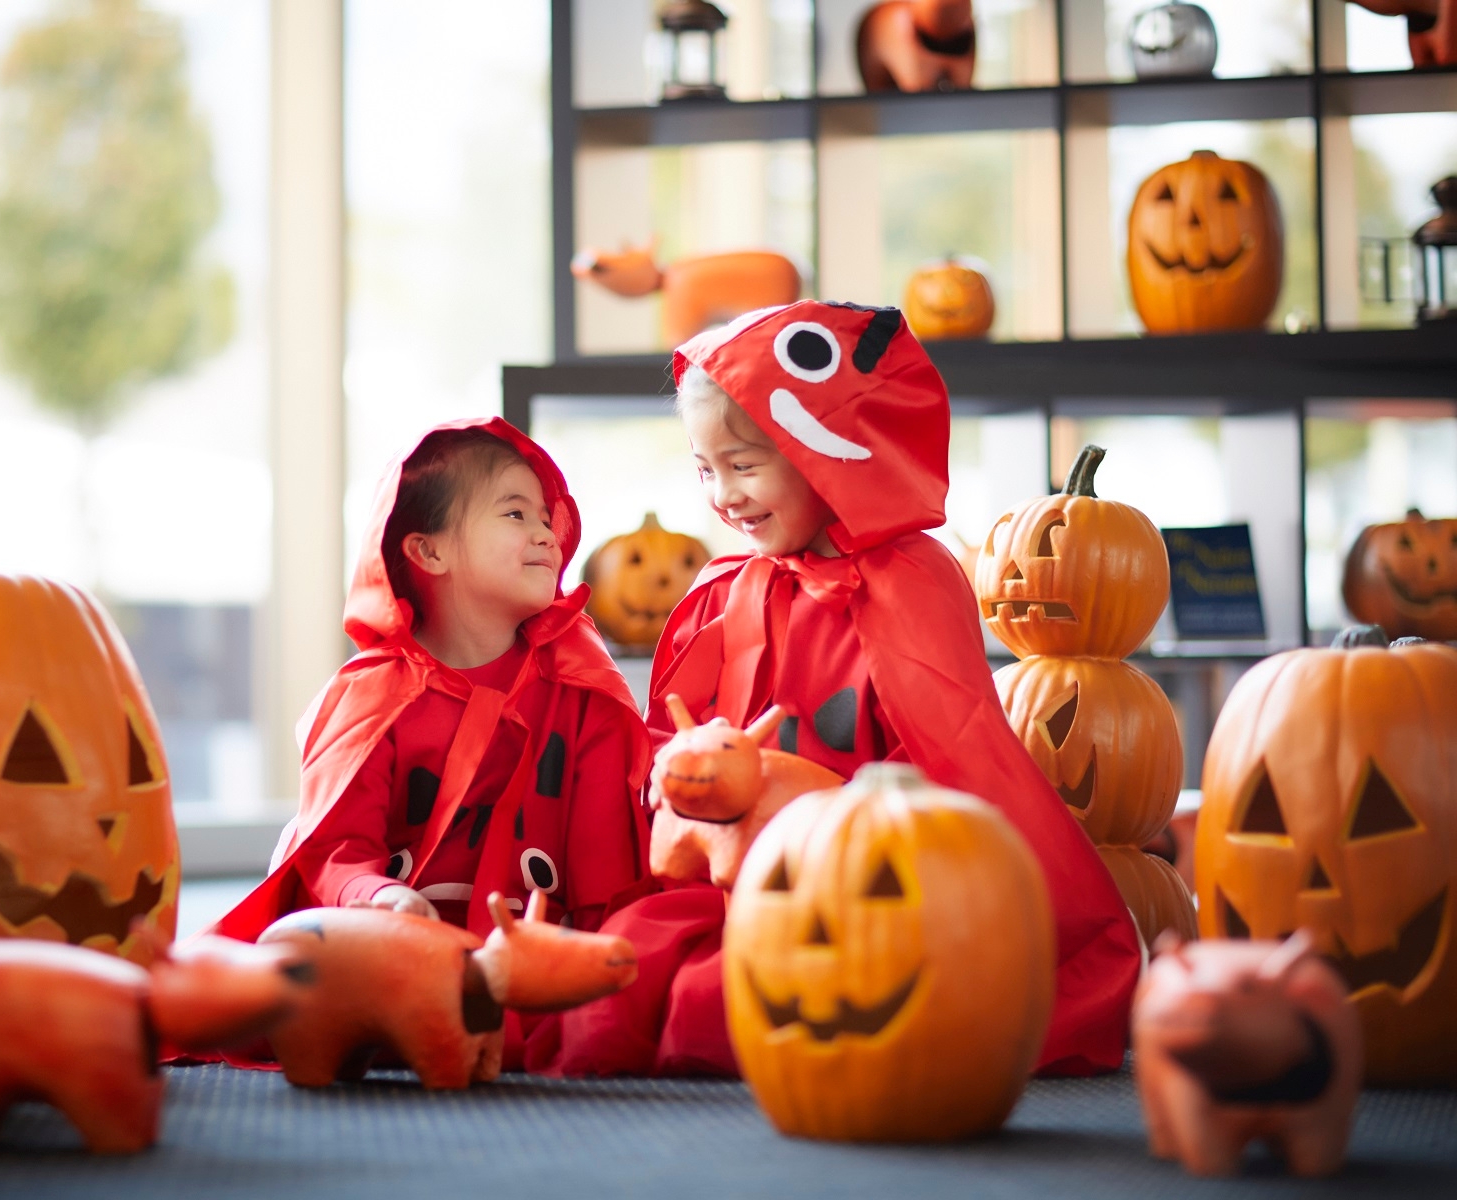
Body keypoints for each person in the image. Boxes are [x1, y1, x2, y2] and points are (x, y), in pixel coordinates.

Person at [534, 301, 1141, 1078]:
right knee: (616, 976)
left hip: (878, 885)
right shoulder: (731, 592)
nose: (723, 496)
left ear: (831, 450)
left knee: (728, 998)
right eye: (705, 469)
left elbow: (957, 754)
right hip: (744, 876)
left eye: (745, 465)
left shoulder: (911, 580)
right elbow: (688, 749)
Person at [200, 418, 653, 1068]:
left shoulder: (581, 687)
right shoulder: (373, 699)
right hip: (390, 959)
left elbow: (607, 871)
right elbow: (335, 852)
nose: (545, 533)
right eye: (515, 512)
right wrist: (382, 898)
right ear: (429, 552)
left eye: (547, 516)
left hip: (530, 960)